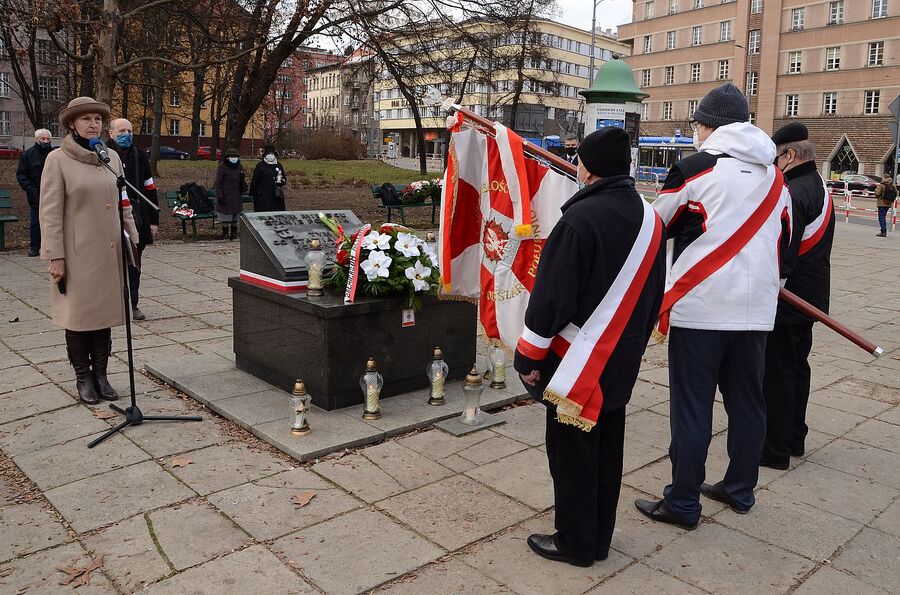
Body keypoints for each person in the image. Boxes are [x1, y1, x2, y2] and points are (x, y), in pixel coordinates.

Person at [634, 83, 792, 529]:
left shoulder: (692, 169)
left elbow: (654, 227)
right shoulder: (775, 177)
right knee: (748, 404)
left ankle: (683, 503)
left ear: (706, 124)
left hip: (700, 308)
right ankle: (740, 490)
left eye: (696, 124)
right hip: (757, 311)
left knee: (692, 407)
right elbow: (787, 248)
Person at [514, 127, 666, 566]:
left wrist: (529, 356)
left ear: (589, 167)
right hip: (621, 357)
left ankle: (576, 543)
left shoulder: (579, 220)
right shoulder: (651, 218)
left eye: (580, 159)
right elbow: (655, 292)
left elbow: (551, 296)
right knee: (607, 451)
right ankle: (599, 537)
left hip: (574, 362)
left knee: (571, 455)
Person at [39, 97, 139, 404]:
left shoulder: (111, 157)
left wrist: (132, 237)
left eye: (97, 119)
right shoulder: (58, 160)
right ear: (72, 124)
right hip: (77, 254)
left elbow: (123, 201)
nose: (93, 124)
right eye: (86, 119)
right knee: (79, 318)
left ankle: (102, 375)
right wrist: (55, 256)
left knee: (104, 316)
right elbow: (50, 212)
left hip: (109, 253)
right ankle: (83, 378)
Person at [760, 122, 835, 470]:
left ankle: (774, 449)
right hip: (812, 297)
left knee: (777, 372)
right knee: (796, 368)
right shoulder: (818, 184)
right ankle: (793, 437)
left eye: (776, 158)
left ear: (790, 155)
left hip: (788, 299)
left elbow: (785, 255)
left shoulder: (793, 191)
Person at [109, 118, 159, 321]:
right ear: (111, 133)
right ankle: (111, 304)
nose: (126, 134)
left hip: (137, 217)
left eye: (129, 131)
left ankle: (133, 304)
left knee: (134, 264)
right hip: (110, 215)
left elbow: (150, 188)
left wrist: (153, 221)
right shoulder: (102, 155)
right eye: (121, 130)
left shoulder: (140, 156)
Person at [16, 129, 55, 257]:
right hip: (36, 193)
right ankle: (34, 247)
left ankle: (52, 246)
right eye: (42, 139)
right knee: (36, 222)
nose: (45, 141)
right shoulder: (28, 155)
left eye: (48, 139)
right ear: (36, 140)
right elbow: (22, 175)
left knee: (55, 220)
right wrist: (31, 190)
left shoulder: (54, 154)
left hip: (54, 192)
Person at [215, 148, 247, 240]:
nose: (234, 158)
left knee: (235, 216)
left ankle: (234, 233)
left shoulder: (239, 166)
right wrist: (220, 195)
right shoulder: (223, 166)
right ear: (227, 158)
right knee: (225, 216)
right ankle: (225, 233)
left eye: (235, 157)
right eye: (231, 156)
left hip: (236, 195)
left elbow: (242, 182)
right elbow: (218, 182)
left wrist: (242, 179)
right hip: (226, 195)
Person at [249, 144, 287, 212]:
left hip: (276, 197)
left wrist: (281, 181)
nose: (270, 155)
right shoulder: (260, 166)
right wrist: (254, 194)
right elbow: (255, 181)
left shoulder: (278, 165)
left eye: (271, 153)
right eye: (268, 153)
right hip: (263, 197)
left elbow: (284, 179)